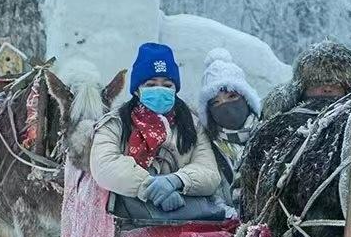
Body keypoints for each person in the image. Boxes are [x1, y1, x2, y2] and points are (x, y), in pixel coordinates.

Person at [89, 42, 228, 223]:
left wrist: (176, 181)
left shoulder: (192, 125)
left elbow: (209, 172)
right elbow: (104, 165)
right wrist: (149, 186)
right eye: (151, 84)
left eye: (167, 85)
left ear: (175, 89)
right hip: (129, 223)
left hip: (186, 219)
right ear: (137, 90)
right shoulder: (116, 123)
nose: (160, 90)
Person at [194, 46, 262, 197]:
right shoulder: (205, 146)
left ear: (246, 99)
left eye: (232, 97)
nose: (225, 107)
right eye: (216, 103)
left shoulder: (270, 135)